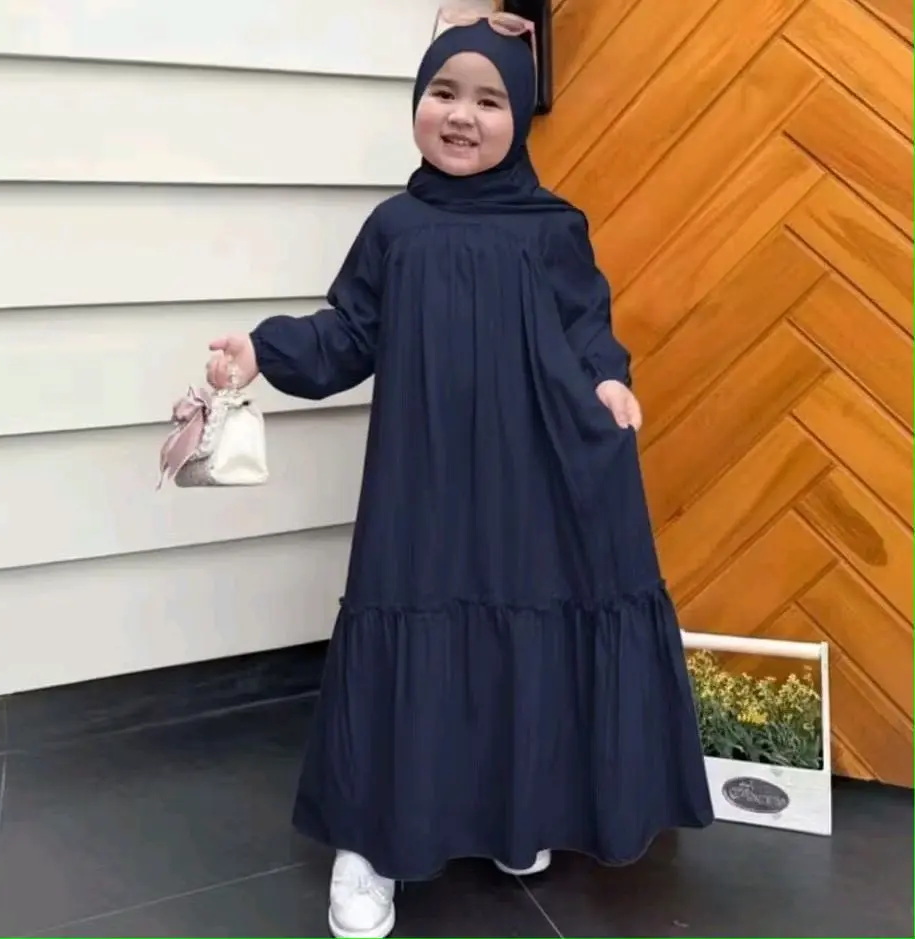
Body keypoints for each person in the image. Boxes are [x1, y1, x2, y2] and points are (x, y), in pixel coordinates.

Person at [206, 13, 713, 939]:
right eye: (442, 92)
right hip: (424, 477)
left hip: (531, 475)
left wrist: (607, 379)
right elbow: (347, 331)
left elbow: (585, 324)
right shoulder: (395, 229)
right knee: (411, 616)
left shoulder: (552, 228)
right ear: (415, 103)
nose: (461, 115)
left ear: (518, 116)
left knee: (519, 616)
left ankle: (517, 812)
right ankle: (370, 846)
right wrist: (262, 351)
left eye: (488, 99)